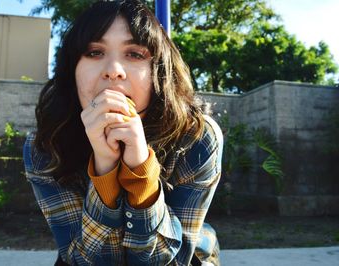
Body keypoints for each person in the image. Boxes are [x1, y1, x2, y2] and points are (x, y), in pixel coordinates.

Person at [23, 0, 223, 265]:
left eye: (135, 54)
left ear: (158, 73)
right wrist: (105, 169)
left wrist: (140, 172)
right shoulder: (45, 147)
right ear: (71, 71)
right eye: (95, 52)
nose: (113, 71)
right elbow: (82, 258)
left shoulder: (197, 138)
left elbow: (167, 260)